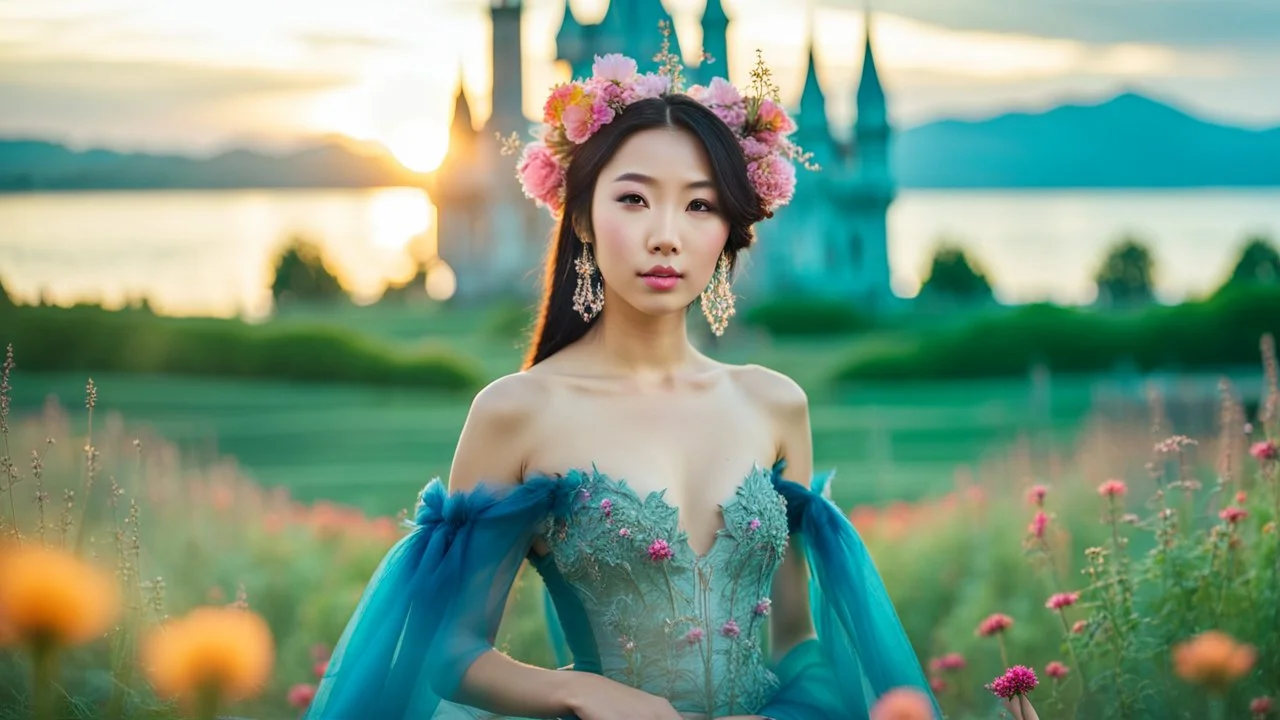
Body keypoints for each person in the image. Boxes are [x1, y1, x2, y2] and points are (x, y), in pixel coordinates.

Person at [305, 49, 1036, 720]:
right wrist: (582, 692)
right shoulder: (516, 413)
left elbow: (795, 639)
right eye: (633, 199)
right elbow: (448, 652)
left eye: (699, 204)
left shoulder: (775, 405)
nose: (667, 235)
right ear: (582, 218)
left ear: (730, 229)